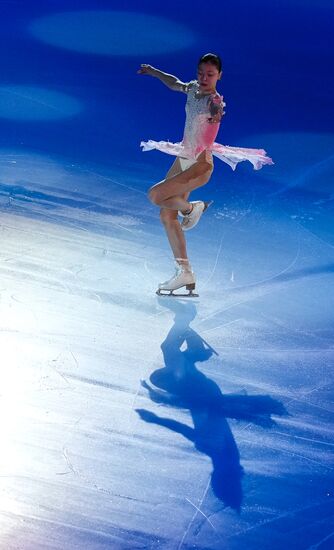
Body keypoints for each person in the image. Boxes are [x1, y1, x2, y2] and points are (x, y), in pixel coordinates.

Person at [138, 53, 273, 296]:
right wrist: (154, 71)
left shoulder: (215, 100)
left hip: (199, 164)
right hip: (183, 158)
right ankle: (185, 272)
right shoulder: (192, 88)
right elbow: (175, 83)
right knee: (167, 217)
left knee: (155, 195)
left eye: (210, 75)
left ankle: (192, 209)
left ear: (219, 76)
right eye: (201, 73)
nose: (204, 78)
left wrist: (217, 113)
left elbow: (217, 112)